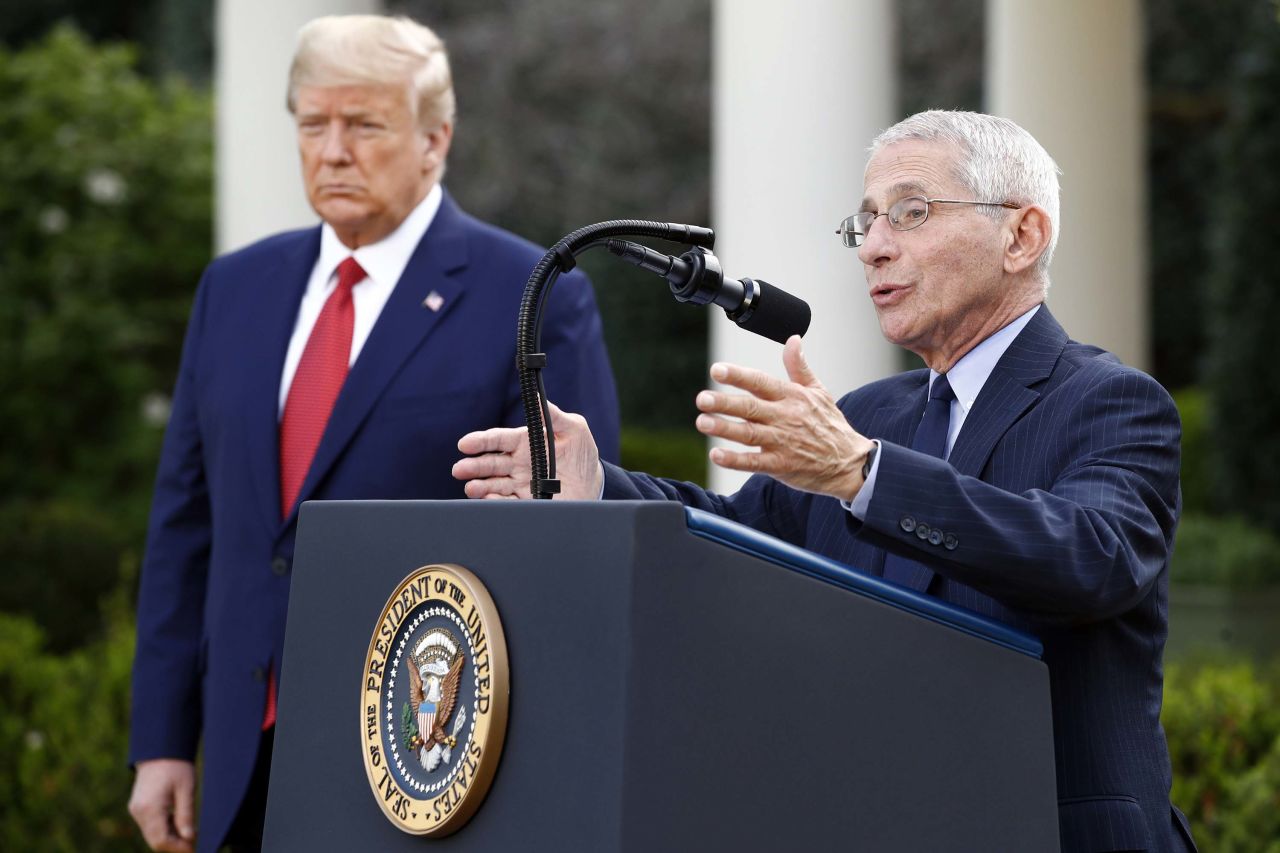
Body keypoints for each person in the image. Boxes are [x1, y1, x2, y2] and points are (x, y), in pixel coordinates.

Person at [453, 110, 1197, 852]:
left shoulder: (1110, 401)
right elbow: (734, 539)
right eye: (866, 221)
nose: (873, 247)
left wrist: (863, 472)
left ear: (1022, 235)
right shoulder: (872, 414)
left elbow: (1092, 558)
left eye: (910, 212)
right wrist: (599, 485)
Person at [127, 14, 619, 853]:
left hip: (425, 762)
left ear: (435, 140)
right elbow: (187, 525)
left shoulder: (531, 294)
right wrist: (162, 740)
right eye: (313, 125)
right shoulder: (235, 288)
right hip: (242, 753)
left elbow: (571, 546)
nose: (332, 151)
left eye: (364, 125)